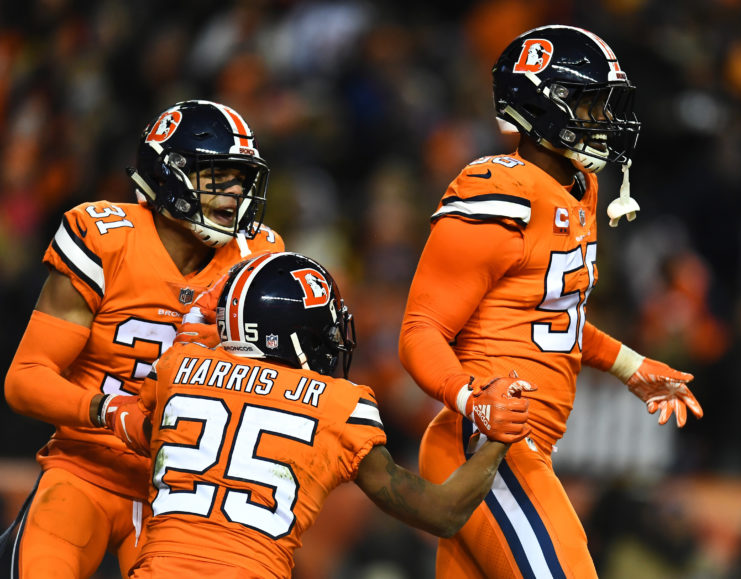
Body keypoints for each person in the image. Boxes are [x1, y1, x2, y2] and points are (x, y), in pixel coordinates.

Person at [398, 25, 704, 577]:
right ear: (539, 106)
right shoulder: (498, 190)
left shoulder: (580, 188)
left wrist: (629, 366)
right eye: (588, 105)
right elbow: (420, 329)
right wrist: (473, 399)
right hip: (487, 444)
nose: (603, 120)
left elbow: (551, 314)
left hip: (515, 445)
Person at [100, 251, 533, 578]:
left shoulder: (177, 367)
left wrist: (106, 407)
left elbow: (139, 422)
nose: (332, 343)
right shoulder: (338, 403)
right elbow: (443, 512)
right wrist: (496, 437)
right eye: (325, 332)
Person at [1, 99, 285, 578]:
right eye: (218, 174)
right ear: (169, 173)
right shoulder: (108, 237)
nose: (236, 191)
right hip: (84, 469)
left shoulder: (257, 257)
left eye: (241, 178)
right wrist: (109, 411)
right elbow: (25, 379)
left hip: (181, 498)